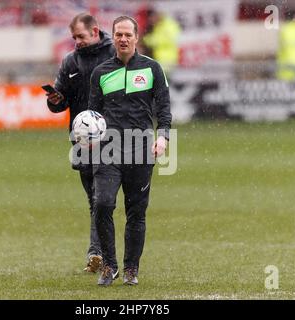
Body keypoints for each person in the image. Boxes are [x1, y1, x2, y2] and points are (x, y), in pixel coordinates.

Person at [88, 16, 172, 286]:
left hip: (141, 150)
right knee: (102, 205)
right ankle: (109, 266)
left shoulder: (152, 69)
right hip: (107, 150)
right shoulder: (100, 72)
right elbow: (93, 113)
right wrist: (88, 137)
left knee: (136, 213)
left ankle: (131, 269)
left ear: (137, 37)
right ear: (113, 37)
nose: (122, 39)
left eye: (127, 34)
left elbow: (164, 109)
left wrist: (164, 137)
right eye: (118, 34)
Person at [46, 13, 115, 273]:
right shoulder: (70, 61)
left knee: (103, 200)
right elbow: (61, 100)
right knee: (95, 200)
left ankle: (101, 253)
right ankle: (100, 254)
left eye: (81, 37)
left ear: (95, 31)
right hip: (82, 140)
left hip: (113, 137)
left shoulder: (115, 55)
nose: (77, 42)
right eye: (74, 37)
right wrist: (55, 100)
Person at [142, 8, 181, 77]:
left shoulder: (168, 24)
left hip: (167, 59)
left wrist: (149, 40)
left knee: (164, 82)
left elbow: (169, 39)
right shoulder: (159, 25)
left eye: (152, 18)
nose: (151, 21)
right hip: (159, 58)